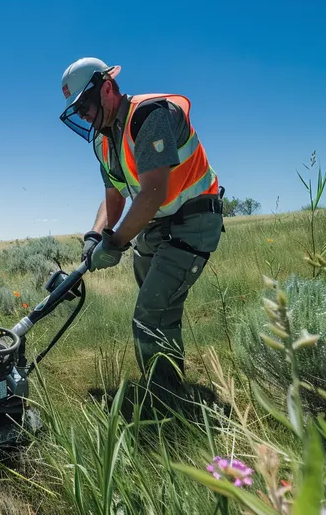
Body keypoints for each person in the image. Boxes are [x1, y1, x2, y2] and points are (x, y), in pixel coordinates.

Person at [59, 57, 224, 396]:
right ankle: (170, 384)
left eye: (85, 106)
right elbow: (114, 197)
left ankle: (164, 395)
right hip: (157, 226)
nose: (84, 115)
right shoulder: (104, 141)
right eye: (76, 111)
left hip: (192, 220)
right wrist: (95, 237)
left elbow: (150, 194)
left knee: (150, 311)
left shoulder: (149, 116)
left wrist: (115, 243)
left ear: (106, 87)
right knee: (160, 309)